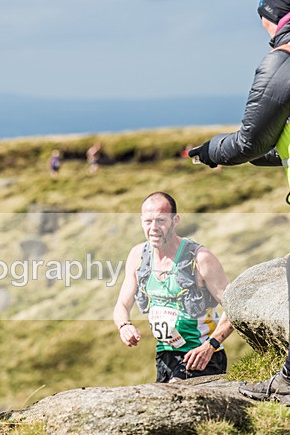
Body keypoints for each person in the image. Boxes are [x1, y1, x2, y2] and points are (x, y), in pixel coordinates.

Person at [188, 0, 290, 403]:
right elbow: (278, 146)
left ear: (270, 20)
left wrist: (214, 150)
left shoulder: (281, 61)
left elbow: (251, 141)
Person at [113, 192, 234, 383]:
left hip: (202, 355)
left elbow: (234, 308)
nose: (153, 228)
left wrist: (210, 345)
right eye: (148, 221)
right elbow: (121, 304)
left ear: (175, 220)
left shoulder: (200, 258)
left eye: (161, 221)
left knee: (175, 392)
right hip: (165, 356)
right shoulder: (138, 256)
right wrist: (124, 326)